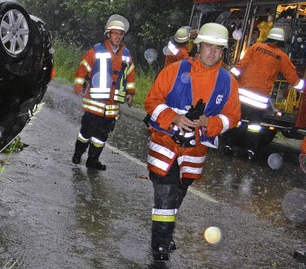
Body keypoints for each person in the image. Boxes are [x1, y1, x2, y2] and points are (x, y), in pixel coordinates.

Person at [144, 22, 241, 261]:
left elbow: (233, 117)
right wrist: (173, 117)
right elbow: (152, 101)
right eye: (209, 46)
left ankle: (165, 234)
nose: (213, 53)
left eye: (219, 49)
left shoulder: (228, 82)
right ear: (199, 46)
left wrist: (210, 123)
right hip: (165, 145)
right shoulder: (175, 70)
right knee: (165, 194)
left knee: (179, 193)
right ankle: (160, 245)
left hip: (195, 151)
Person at [224, 27, 304, 160]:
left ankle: (228, 145)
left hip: (242, 95)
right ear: (281, 42)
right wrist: (302, 86)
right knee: (254, 127)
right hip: (259, 100)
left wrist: (229, 77)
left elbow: (240, 66)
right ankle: (250, 150)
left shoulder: (255, 48)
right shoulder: (281, 57)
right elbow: (292, 78)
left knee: (236, 121)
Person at [71, 14, 136, 170]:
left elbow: (130, 75)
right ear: (108, 34)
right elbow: (82, 69)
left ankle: (92, 160)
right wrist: (79, 86)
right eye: (114, 33)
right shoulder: (96, 50)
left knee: (101, 136)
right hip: (94, 102)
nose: (117, 36)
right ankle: (78, 154)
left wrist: (130, 92)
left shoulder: (126, 55)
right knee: (86, 132)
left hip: (112, 105)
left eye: (120, 34)